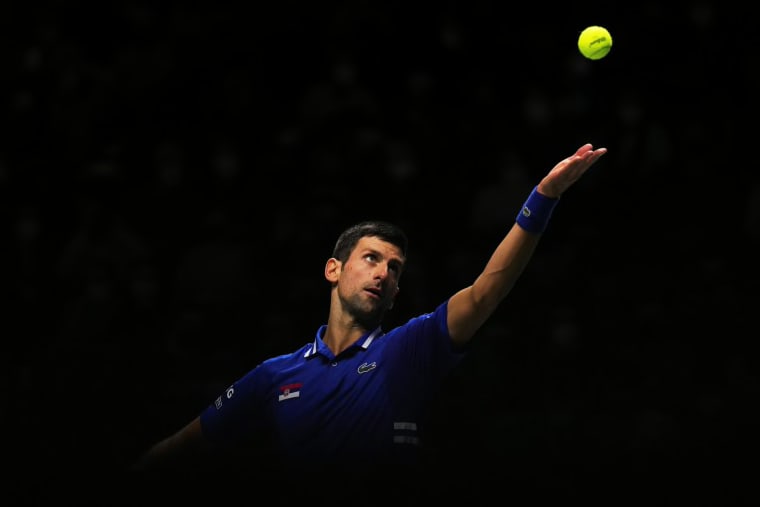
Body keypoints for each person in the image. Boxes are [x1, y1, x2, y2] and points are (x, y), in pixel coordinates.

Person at [130, 143, 606, 497]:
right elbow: (183, 446)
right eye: (372, 258)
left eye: (394, 268)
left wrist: (543, 197)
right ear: (333, 270)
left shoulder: (408, 348)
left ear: (397, 291)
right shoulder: (275, 375)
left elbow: (486, 292)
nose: (383, 272)